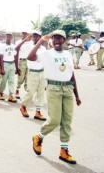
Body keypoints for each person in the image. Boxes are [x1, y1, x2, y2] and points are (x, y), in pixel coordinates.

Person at [28, 30, 82, 165]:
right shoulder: (46, 53)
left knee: (67, 121)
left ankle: (64, 151)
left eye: (60, 38)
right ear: (51, 40)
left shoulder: (68, 54)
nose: (56, 40)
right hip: (53, 88)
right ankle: (38, 137)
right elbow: (30, 57)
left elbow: (71, 74)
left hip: (68, 89)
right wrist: (41, 41)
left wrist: (77, 95)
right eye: (54, 38)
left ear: (64, 40)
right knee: (55, 120)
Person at [19, 31, 46, 120]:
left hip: (42, 72)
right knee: (30, 92)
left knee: (41, 93)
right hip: (32, 72)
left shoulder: (43, 48)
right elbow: (17, 49)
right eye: (34, 36)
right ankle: (23, 106)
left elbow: (45, 61)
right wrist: (25, 40)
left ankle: (38, 112)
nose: (35, 38)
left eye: (37, 36)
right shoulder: (28, 46)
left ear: (40, 37)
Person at [0, 32, 18, 102]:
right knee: (4, 80)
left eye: (9, 37)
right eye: (7, 36)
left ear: (12, 38)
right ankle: (1, 93)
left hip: (12, 64)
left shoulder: (13, 46)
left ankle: (11, 95)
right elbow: (1, 57)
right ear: (5, 37)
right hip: (5, 64)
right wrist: (1, 68)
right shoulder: (2, 46)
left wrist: (16, 67)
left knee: (11, 80)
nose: (8, 38)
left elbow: (15, 57)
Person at [15, 31, 33, 98]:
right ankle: (17, 89)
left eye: (26, 34)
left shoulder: (31, 42)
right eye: (23, 33)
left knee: (28, 78)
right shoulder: (18, 42)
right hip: (22, 61)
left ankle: (26, 93)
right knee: (21, 77)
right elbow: (16, 50)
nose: (24, 35)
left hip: (29, 61)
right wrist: (16, 66)